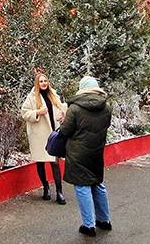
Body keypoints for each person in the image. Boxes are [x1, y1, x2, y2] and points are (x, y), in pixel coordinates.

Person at [59, 76, 112, 237]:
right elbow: (106, 125)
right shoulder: (107, 107)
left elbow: (65, 131)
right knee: (97, 184)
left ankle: (89, 226)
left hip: (78, 153)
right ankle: (104, 220)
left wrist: (62, 121)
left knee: (82, 186)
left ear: (82, 88)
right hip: (96, 151)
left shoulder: (74, 108)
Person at [21, 73, 67, 205]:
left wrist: (63, 113)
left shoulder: (53, 95)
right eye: (41, 81)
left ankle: (59, 192)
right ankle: (46, 187)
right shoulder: (32, 97)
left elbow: (61, 108)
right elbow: (25, 112)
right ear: (37, 83)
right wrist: (37, 113)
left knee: (55, 162)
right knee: (40, 162)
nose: (43, 83)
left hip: (53, 134)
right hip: (39, 135)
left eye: (45, 80)